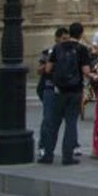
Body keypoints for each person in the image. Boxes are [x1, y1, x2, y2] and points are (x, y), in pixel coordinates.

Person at [39, 22, 91, 166]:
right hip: (75, 91)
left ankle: (48, 155)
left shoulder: (57, 48)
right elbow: (86, 71)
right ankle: (67, 157)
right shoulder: (82, 49)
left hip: (59, 90)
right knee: (71, 123)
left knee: (54, 124)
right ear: (81, 34)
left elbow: (48, 69)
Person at [36, 27, 69, 159]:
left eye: (67, 39)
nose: (65, 41)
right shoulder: (48, 52)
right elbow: (39, 70)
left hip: (65, 89)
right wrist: (51, 62)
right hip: (50, 88)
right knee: (48, 119)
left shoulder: (69, 52)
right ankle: (43, 146)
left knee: (66, 120)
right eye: (63, 39)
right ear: (57, 38)